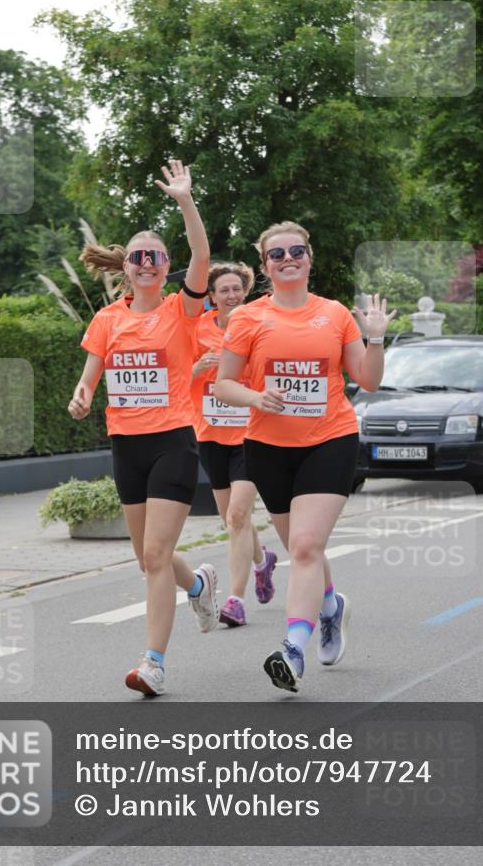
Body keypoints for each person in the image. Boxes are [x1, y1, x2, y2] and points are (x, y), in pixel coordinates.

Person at [214, 221, 396, 693]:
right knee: (300, 545)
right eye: (277, 254)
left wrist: (374, 337)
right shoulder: (248, 318)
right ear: (265, 266)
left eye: (297, 250)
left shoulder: (334, 314)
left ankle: (293, 650)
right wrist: (256, 398)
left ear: (309, 258)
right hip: (269, 448)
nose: (288, 258)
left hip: (329, 440)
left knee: (306, 547)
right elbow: (223, 385)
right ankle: (331, 607)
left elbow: (369, 381)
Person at [68, 160, 218, 698]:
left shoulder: (183, 310)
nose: (147, 264)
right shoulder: (108, 318)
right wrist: (82, 395)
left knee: (155, 556)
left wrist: (185, 200)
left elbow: (203, 255)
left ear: (166, 266)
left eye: (155, 257)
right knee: (147, 558)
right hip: (125, 446)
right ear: (126, 268)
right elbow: (91, 375)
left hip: (173, 442)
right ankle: (199, 586)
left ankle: (153, 662)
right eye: (138, 258)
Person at [190, 263, 277, 627]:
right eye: (223, 290)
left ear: (245, 291)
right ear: (211, 296)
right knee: (232, 520)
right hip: (210, 434)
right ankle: (262, 561)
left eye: (237, 289)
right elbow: (177, 375)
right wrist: (198, 367)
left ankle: (235, 601)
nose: (231, 296)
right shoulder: (196, 328)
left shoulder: (258, 324)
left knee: (239, 515)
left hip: (249, 434)